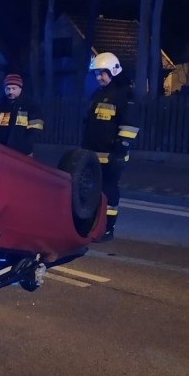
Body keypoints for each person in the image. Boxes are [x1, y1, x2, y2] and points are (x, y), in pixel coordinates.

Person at [82, 52, 140, 243]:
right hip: (93, 154)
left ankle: (108, 228)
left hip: (113, 155)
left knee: (109, 191)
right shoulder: (98, 94)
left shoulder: (124, 94)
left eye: (103, 73)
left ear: (114, 70)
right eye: (97, 73)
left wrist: (121, 149)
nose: (99, 77)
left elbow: (129, 126)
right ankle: (94, 226)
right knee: (93, 191)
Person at [0, 73, 43, 156]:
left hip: (22, 151)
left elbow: (36, 128)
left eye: (14, 88)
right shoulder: (1, 104)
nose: (10, 92)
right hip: (1, 149)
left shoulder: (30, 104)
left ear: (20, 88)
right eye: (8, 88)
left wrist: (27, 144)